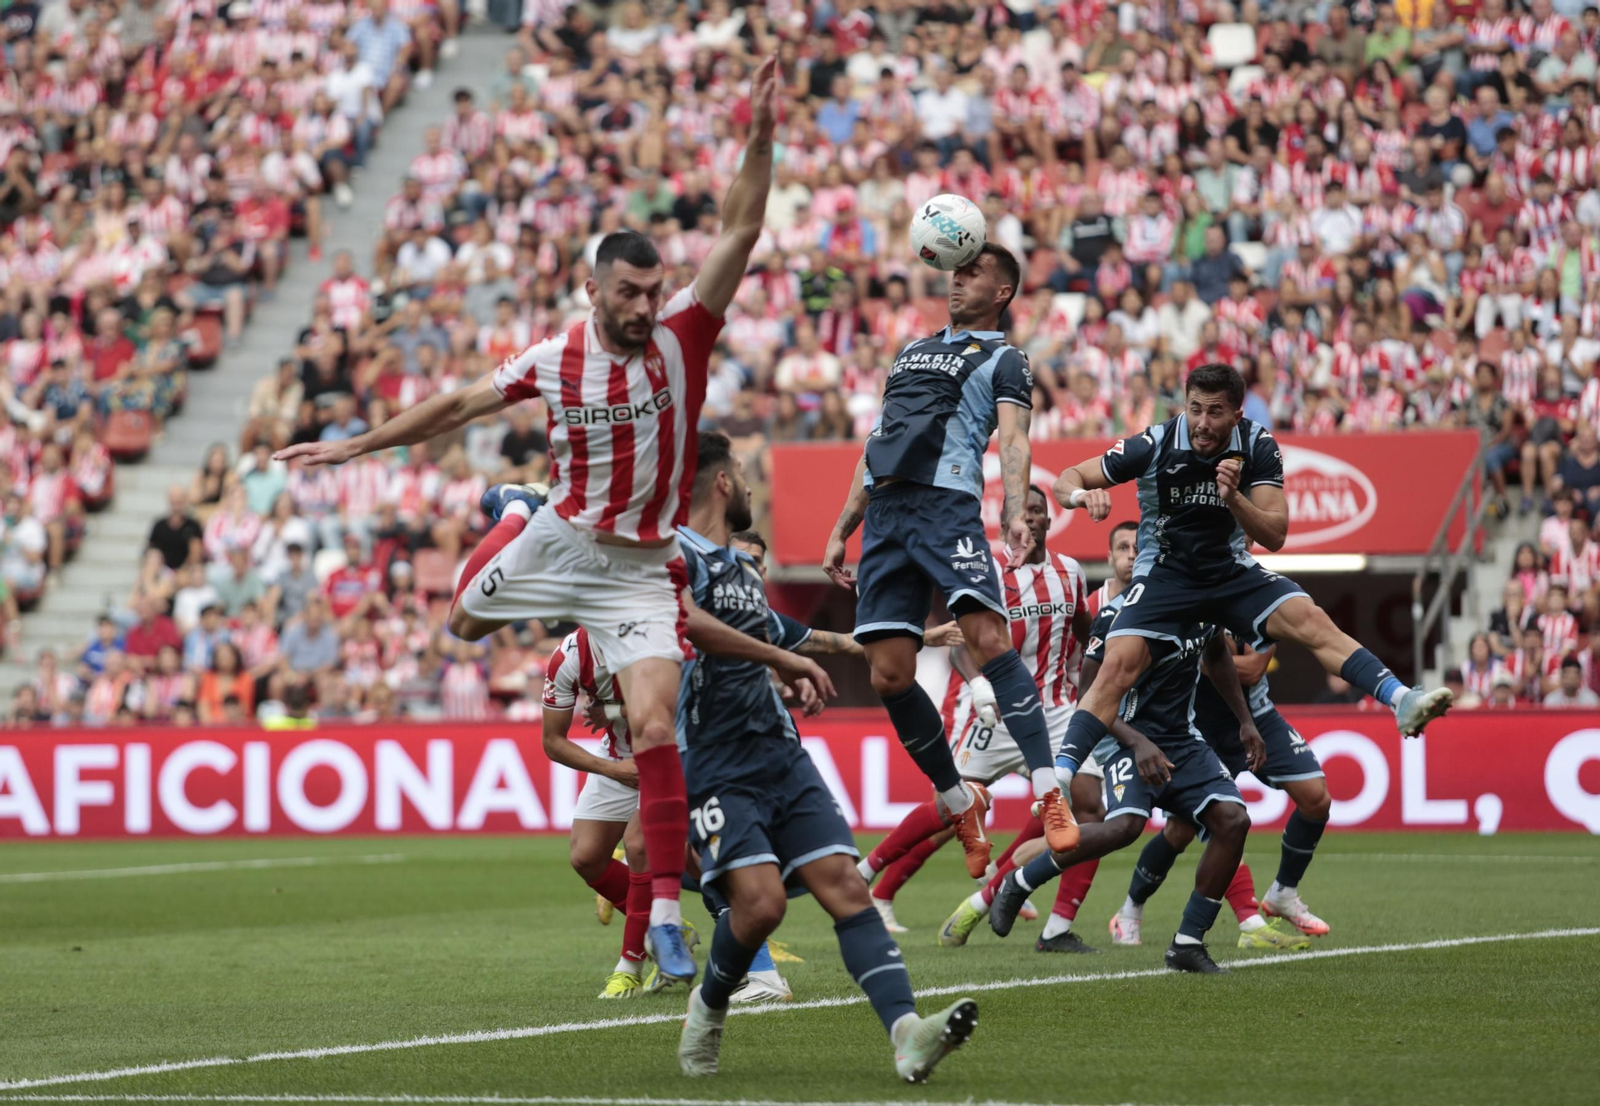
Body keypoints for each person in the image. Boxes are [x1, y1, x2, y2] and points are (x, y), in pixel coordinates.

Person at [274, 56, 786, 988]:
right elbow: (456, 408)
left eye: (652, 291)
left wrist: (757, 136)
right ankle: (512, 511)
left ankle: (665, 913)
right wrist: (357, 446)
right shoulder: (555, 359)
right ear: (594, 290)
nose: (644, 307)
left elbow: (742, 225)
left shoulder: (685, 333)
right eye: (628, 293)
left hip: (637, 565)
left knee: (656, 721)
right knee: (463, 620)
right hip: (557, 537)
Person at [675, 432, 977, 1081]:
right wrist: (784, 660)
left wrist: (812, 662)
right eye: (744, 476)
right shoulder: (675, 557)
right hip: (717, 759)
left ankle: (908, 1034)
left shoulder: (739, 570)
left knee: (846, 885)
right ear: (721, 483)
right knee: (760, 907)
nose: (754, 489)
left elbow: (809, 636)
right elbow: (688, 624)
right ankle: (708, 1002)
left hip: (782, 755)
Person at [1050, 364, 1452, 809]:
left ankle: (1401, 700)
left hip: (1228, 572)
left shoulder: (1258, 445)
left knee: (1310, 619)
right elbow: (1068, 476)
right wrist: (1080, 497)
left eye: (1215, 412)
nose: (1202, 423)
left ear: (1237, 415)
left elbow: (1276, 534)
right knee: (1117, 667)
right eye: (1195, 409)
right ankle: (1060, 778)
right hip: (1166, 575)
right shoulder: (1155, 442)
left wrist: (1235, 498)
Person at [821, 240, 1078, 889]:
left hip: (946, 508)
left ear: (1001, 292)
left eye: (973, 272)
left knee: (989, 640)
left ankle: (1049, 795)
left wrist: (1016, 510)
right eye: (955, 270)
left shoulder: (1004, 357)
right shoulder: (909, 351)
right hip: (884, 516)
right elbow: (877, 439)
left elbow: (1014, 439)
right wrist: (843, 524)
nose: (956, 279)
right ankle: (961, 803)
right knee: (887, 673)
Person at [857, 486, 1103, 951]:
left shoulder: (1070, 573)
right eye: (1020, 513)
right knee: (953, 804)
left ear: (1049, 520)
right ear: (1006, 523)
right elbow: (959, 642)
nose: (1029, 520)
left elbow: (1085, 632)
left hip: (1053, 709)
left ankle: (1055, 926)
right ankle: (868, 872)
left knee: (1090, 808)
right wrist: (978, 684)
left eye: (1036, 512)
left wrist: (1086, 685)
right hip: (996, 715)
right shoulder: (985, 571)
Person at [986, 605, 1263, 975]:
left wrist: (1245, 720)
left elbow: (1216, 656)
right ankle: (1020, 881)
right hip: (1123, 739)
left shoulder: (1203, 602)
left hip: (1183, 740)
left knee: (1234, 820)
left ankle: (1188, 943)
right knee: (1125, 827)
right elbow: (1089, 694)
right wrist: (1136, 743)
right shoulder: (1117, 615)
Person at [1108, 632, 1331, 949]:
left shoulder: (1256, 597)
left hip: (1254, 715)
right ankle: (1130, 910)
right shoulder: (1190, 599)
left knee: (1316, 798)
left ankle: (1283, 892)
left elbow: (1253, 670)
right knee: (1182, 830)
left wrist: (1202, 657)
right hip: (1196, 724)